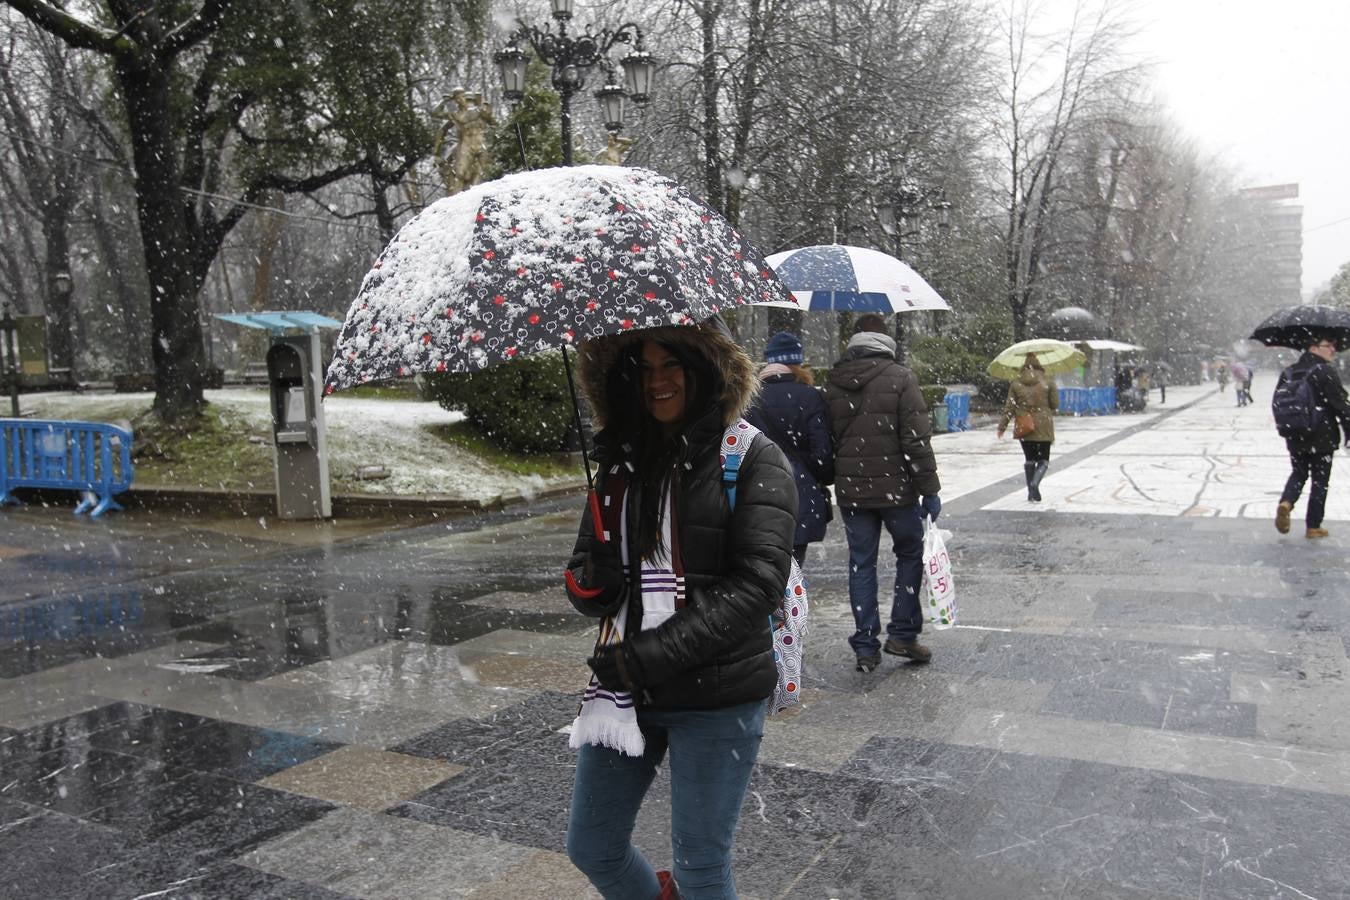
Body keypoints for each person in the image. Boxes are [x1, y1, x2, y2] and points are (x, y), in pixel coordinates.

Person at [563, 317, 797, 899]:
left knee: (700, 870)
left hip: (716, 694)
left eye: (671, 366)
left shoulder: (751, 457)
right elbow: (580, 570)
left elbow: (758, 585)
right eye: (643, 369)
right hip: (625, 695)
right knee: (593, 847)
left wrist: (651, 657)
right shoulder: (618, 463)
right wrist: (593, 582)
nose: (657, 381)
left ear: (703, 370)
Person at [822, 312, 941, 673]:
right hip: (897, 491)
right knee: (909, 553)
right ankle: (902, 634)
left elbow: (828, 441)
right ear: (886, 341)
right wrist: (929, 490)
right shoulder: (901, 377)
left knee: (861, 563)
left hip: (853, 493)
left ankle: (865, 645)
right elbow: (915, 440)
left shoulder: (833, 381)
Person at [744, 331, 834, 567]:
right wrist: (821, 475)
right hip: (799, 492)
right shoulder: (809, 396)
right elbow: (822, 453)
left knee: (763, 572)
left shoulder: (750, 397)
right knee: (793, 569)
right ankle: (790, 603)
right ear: (797, 362)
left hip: (757, 492)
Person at [1274, 333, 1350, 539]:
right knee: (1320, 481)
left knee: (1298, 473)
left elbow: (1277, 402)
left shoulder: (1289, 371)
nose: (1333, 349)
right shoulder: (1324, 371)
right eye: (1329, 345)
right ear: (1313, 348)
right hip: (1322, 436)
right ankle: (1313, 526)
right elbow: (1340, 406)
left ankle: (1286, 502)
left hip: (1295, 433)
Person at [996, 352, 1058, 502]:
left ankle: (1031, 492)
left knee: (1030, 459)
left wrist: (1002, 427)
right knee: (1043, 460)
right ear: (1039, 365)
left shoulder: (1016, 383)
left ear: (1023, 366)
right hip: (1044, 425)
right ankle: (1035, 483)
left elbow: (1009, 407)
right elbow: (1055, 404)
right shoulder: (1048, 381)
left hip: (1024, 425)